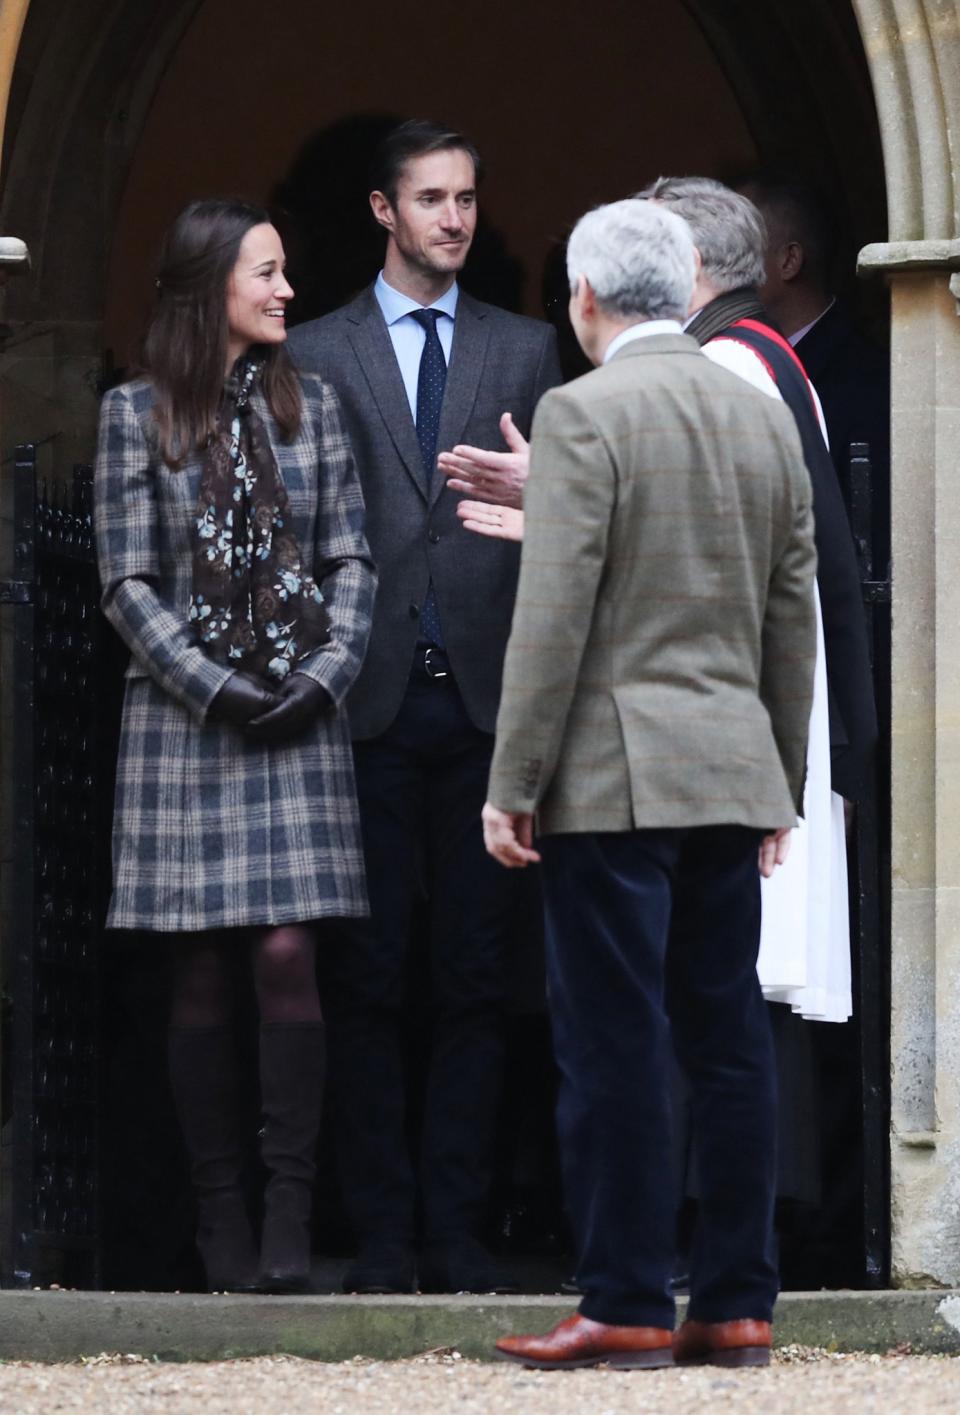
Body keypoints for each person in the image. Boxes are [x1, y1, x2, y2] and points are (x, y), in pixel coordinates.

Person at [483, 197, 816, 1370]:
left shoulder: (584, 411)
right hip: (732, 765)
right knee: (727, 1038)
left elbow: (556, 609)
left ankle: (625, 1294)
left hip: (614, 778)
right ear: (685, 289)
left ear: (583, 299)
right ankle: (736, 1301)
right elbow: (792, 610)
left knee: (615, 1039)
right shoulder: (757, 410)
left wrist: (511, 779)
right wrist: (781, 779)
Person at [286, 119, 562, 1295]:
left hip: (491, 710)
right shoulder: (314, 348)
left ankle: (455, 1234)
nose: (456, 215)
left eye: (468, 194)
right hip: (367, 711)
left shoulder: (529, 348)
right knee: (366, 976)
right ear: (382, 212)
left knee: (476, 980)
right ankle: (382, 1234)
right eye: (432, 197)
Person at [94, 198, 376, 1295]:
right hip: (184, 719)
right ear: (211, 284)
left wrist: (322, 675)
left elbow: (352, 558)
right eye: (267, 271)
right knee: (200, 968)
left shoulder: (319, 408)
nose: (286, 290)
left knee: (287, 954)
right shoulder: (133, 414)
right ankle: (220, 1218)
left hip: (299, 708)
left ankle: (290, 1212)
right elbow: (125, 579)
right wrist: (212, 684)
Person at [739, 172, 891, 573]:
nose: (724, 264)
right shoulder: (739, 359)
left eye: (740, 248)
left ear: (788, 261)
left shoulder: (866, 380)